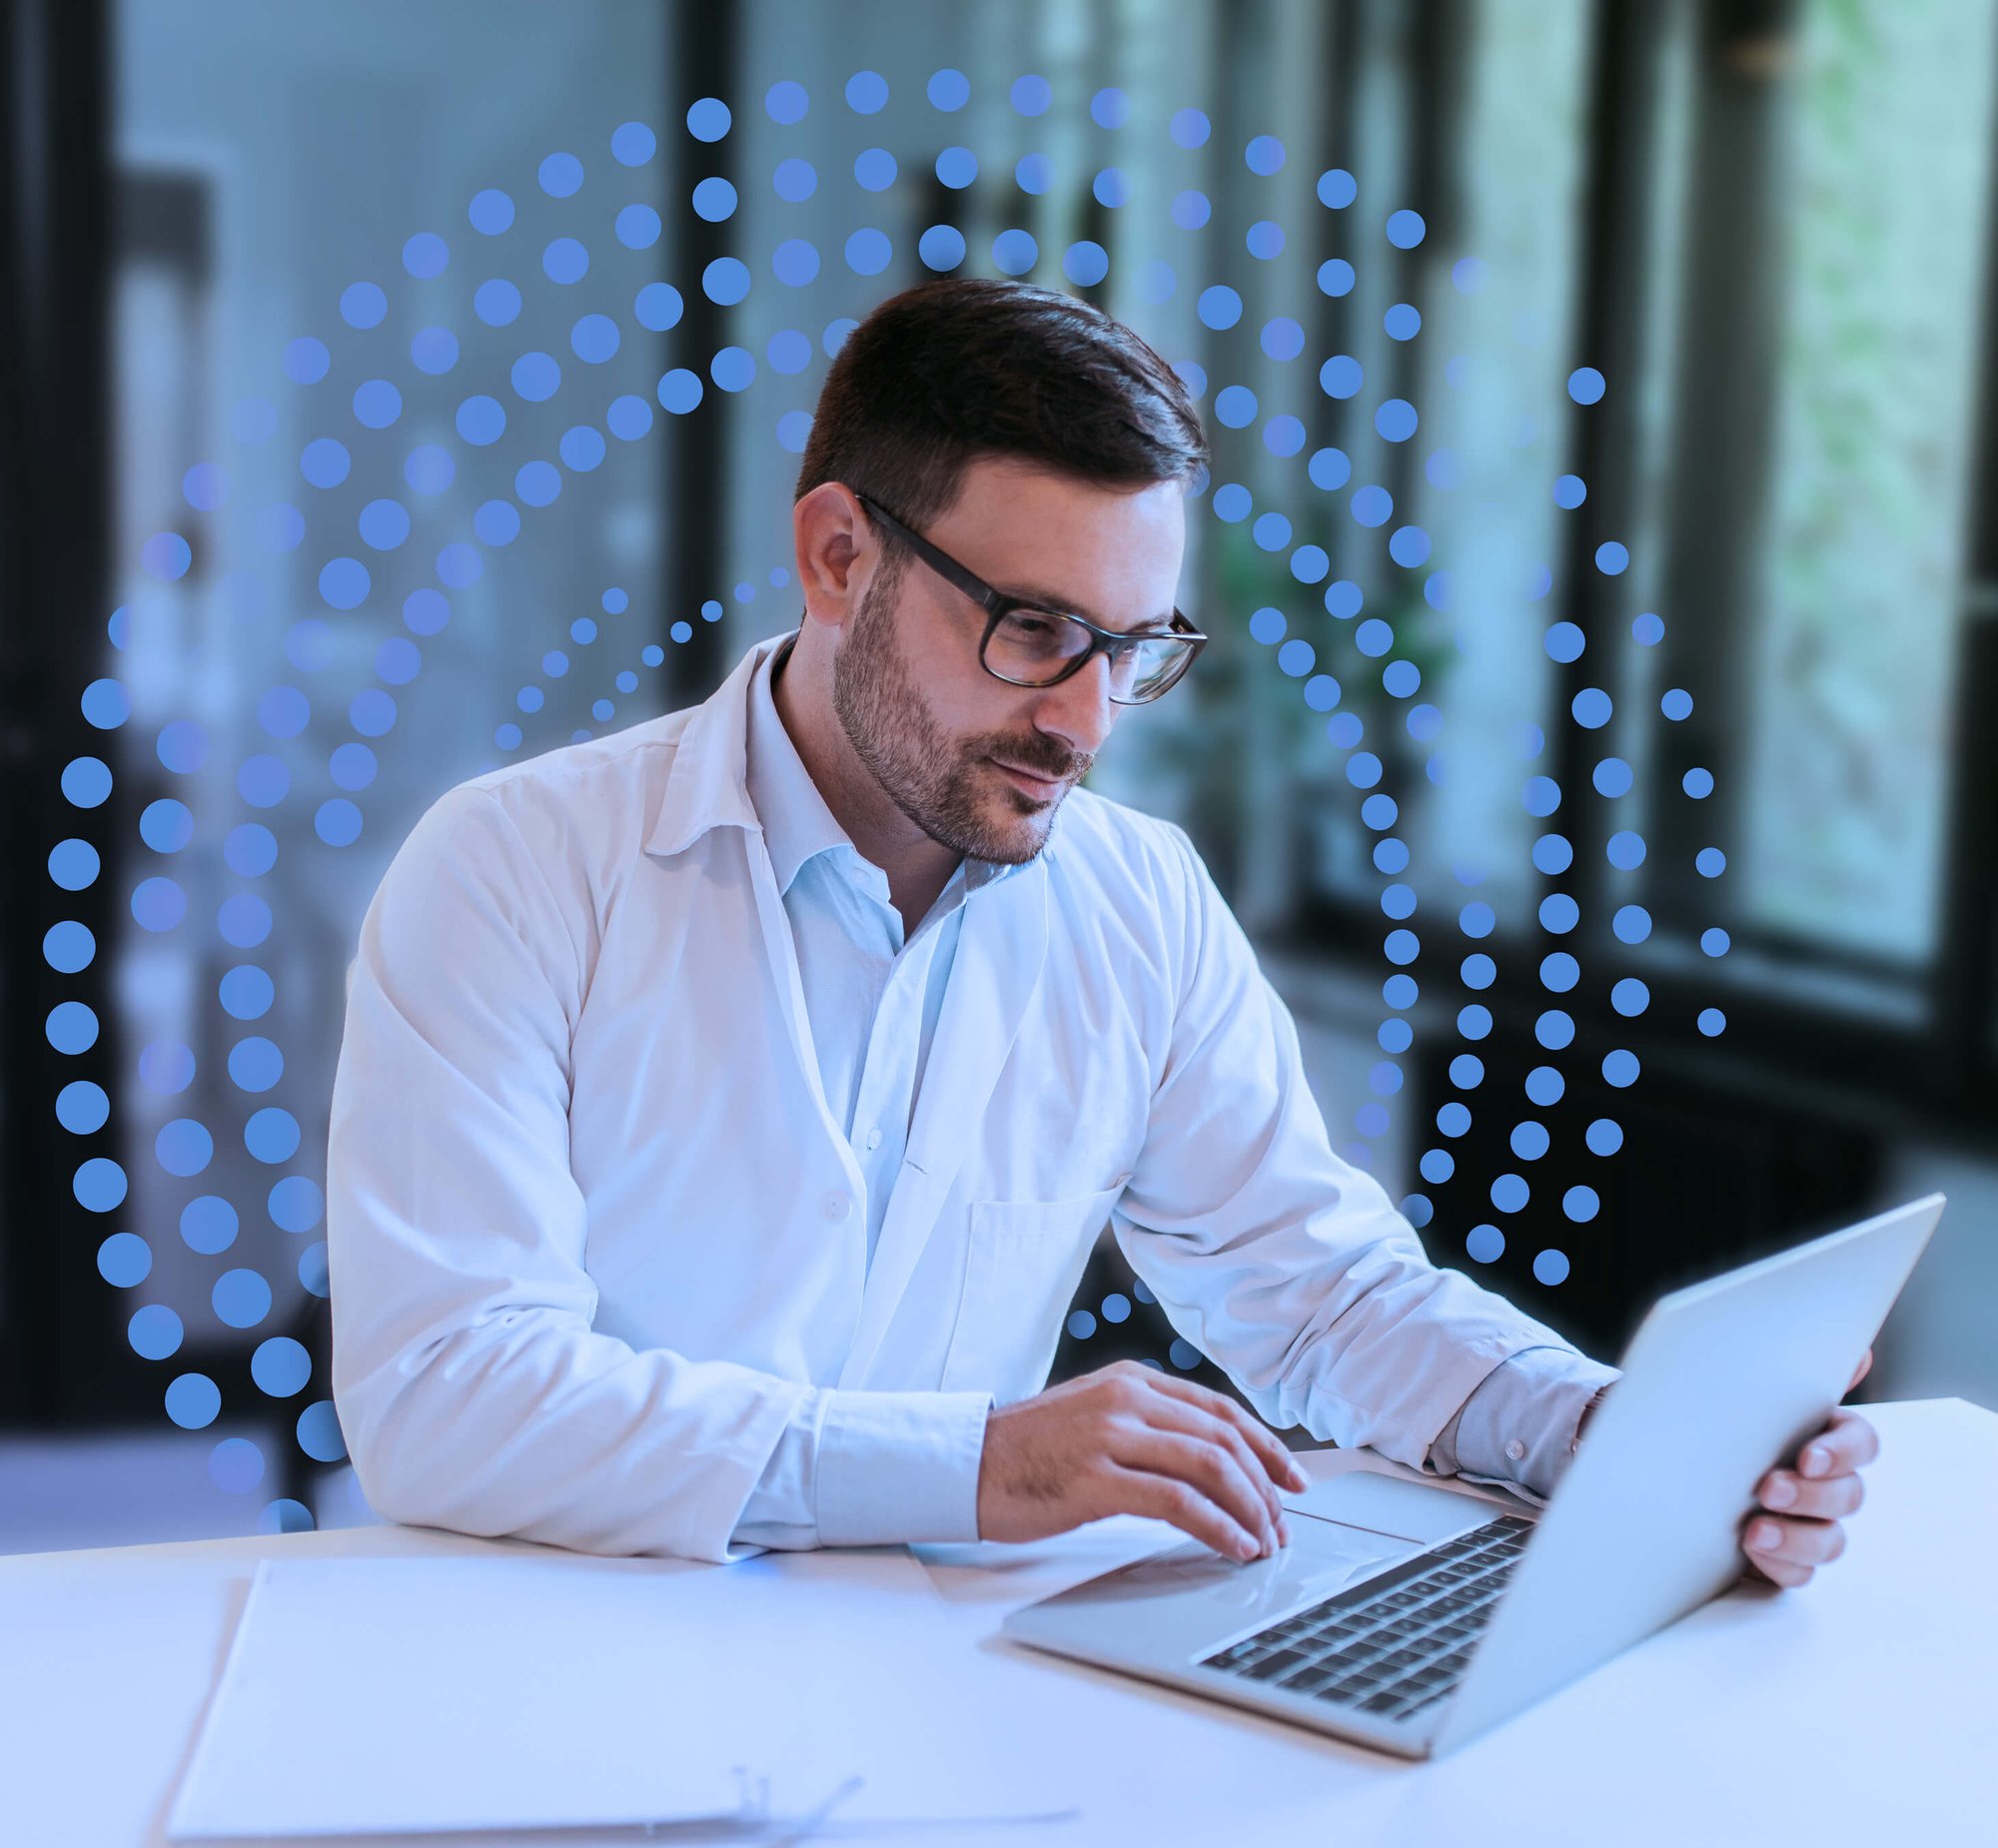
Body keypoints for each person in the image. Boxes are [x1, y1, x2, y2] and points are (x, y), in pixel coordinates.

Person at [327, 277, 1875, 1587]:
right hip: (557, 1668)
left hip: (931, 1691)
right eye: (1037, 630)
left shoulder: (1135, 901)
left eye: (1134, 648)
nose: (1083, 719)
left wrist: (1604, 1432)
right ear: (837, 557)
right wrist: (975, 1464)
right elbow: (448, 1395)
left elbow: (1326, 1292)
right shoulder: (516, 872)